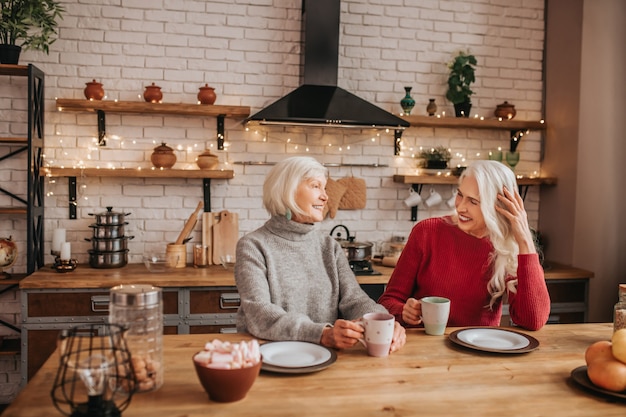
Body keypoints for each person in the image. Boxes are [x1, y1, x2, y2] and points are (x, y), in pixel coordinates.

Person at [234, 156, 406, 352]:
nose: (325, 197)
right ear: (286, 191)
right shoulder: (253, 246)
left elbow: (355, 299)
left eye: (324, 188)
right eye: (315, 186)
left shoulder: (328, 246)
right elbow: (260, 314)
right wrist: (322, 334)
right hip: (270, 356)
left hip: (324, 358)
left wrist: (384, 321)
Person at [378, 160, 551, 331]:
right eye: (460, 195)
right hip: (426, 349)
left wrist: (525, 241)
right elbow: (387, 301)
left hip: (479, 350)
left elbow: (533, 320)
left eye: (473, 202)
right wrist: (404, 311)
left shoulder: (507, 247)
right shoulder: (426, 232)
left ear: (499, 207)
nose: (460, 207)